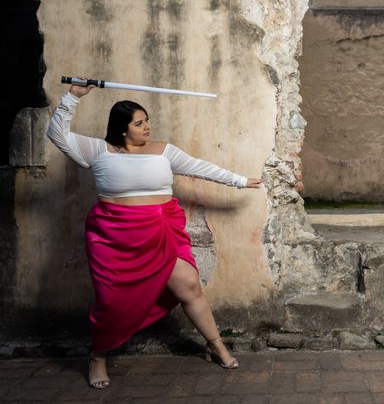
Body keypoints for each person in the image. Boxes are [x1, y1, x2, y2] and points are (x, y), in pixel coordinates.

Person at [47, 83, 262, 388]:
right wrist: (73, 97)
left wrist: (239, 180)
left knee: (189, 285)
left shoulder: (164, 150)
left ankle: (216, 344)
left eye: (147, 121)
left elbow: (200, 168)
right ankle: (98, 356)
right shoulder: (96, 150)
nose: (147, 127)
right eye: (139, 123)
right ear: (122, 130)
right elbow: (57, 134)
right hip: (114, 238)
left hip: (161, 232)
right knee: (111, 303)